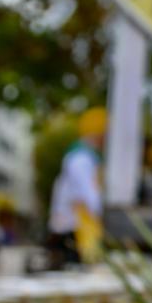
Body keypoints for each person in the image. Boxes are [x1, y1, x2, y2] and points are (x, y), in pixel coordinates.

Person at [47, 108, 106, 267]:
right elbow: (89, 194)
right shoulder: (81, 158)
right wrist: (104, 215)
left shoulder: (82, 156)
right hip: (73, 227)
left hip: (73, 226)